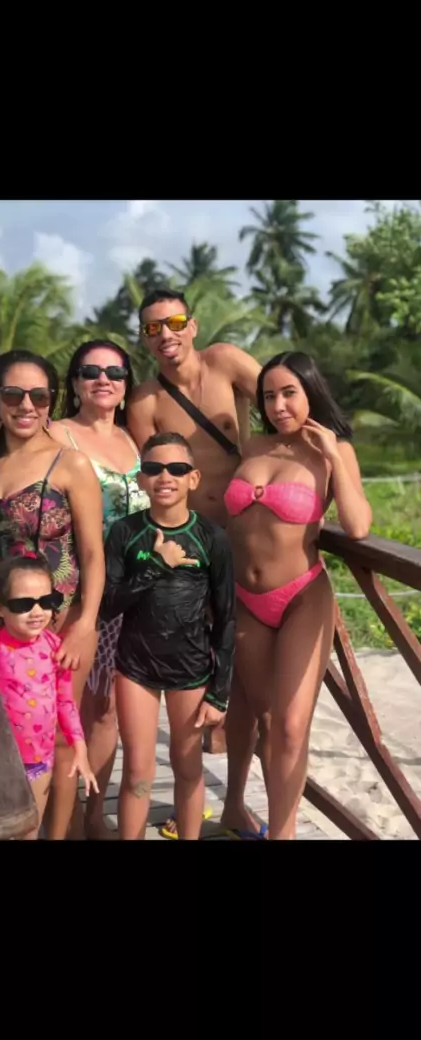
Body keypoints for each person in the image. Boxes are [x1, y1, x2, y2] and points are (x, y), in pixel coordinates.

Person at [0, 349, 105, 840]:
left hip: (58, 626)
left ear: (52, 402)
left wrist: (86, 624)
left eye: (39, 395)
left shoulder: (71, 463)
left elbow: (93, 554)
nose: (27, 405)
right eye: (13, 394)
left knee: (60, 738)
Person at [127, 287, 262, 838]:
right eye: (152, 328)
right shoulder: (144, 401)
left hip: (249, 539)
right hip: (191, 551)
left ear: (194, 325)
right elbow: (148, 485)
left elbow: (286, 400)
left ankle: (234, 803)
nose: (166, 334)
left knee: (247, 679)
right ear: (144, 338)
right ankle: (194, 797)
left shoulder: (226, 363)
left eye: (175, 322)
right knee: (197, 670)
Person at [225, 351, 372, 839]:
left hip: (301, 597)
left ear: (311, 392)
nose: (279, 405)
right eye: (269, 396)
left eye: (289, 393)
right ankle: (263, 819)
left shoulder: (333, 451)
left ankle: (283, 835)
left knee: (291, 725)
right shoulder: (253, 447)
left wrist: (333, 454)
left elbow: (357, 525)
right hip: (245, 598)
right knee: (267, 721)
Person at [99, 432, 236, 840]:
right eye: (154, 468)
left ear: (193, 478)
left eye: (176, 469)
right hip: (135, 665)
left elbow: (227, 618)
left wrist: (219, 693)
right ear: (141, 478)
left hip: (191, 666)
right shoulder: (125, 532)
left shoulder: (212, 537)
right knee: (137, 772)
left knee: (188, 767)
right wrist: (156, 566)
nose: (165, 477)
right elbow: (108, 605)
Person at [49, 339, 150, 839]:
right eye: (90, 371)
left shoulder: (136, 439)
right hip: (73, 594)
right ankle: (60, 818)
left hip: (131, 598)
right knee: (64, 710)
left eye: (114, 372)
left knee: (106, 709)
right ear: (74, 383)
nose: (103, 379)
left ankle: (92, 813)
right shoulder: (54, 434)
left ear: (127, 384)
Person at [0, 554, 99, 839]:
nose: (37, 611)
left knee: (30, 828)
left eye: (46, 601)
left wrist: (80, 748)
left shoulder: (56, 648)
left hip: (39, 762)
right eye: (23, 604)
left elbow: (66, 703)